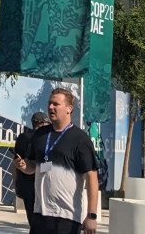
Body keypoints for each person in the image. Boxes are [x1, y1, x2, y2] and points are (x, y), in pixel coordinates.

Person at [20, 88, 98, 234]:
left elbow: (92, 177)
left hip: (66, 217)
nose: (50, 107)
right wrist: (25, 166)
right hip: (40, 214)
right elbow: (33, 167)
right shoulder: (40, 135)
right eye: (49, 103)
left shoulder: (80, 140)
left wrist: (91, 215)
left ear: (69, 109)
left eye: (56, 104)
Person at [14, 112, 46, 225]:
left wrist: (16, 185)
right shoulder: (45, 139)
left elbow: (15, 164)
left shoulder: (22, 138)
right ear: (43, 124)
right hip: (42, 187)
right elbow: (49, 165)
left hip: (26, 186)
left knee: (33, 222)